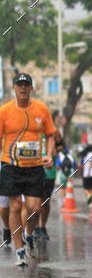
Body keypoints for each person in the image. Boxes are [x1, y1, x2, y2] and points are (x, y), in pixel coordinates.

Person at [0, 73, 55, 267]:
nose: (23, 88)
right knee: (14, 207)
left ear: (32, 88)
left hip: (34, 167)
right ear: (14, 88)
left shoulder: (41, 109)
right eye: (19, 85)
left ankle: (28, 233)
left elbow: (50, 135)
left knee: (33, 208)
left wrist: (49, 155)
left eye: (26, 85)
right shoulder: (4, 111)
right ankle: (20, 250)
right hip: (10, 165)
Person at [37, 129, 63, 240]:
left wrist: (53, 144)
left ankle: (42, 227)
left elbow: (58, 149)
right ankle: (34, 227)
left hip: (49, 174)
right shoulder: (32, 132)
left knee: (45, 202)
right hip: (34, 172)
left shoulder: (54, 133)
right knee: (34, 202)